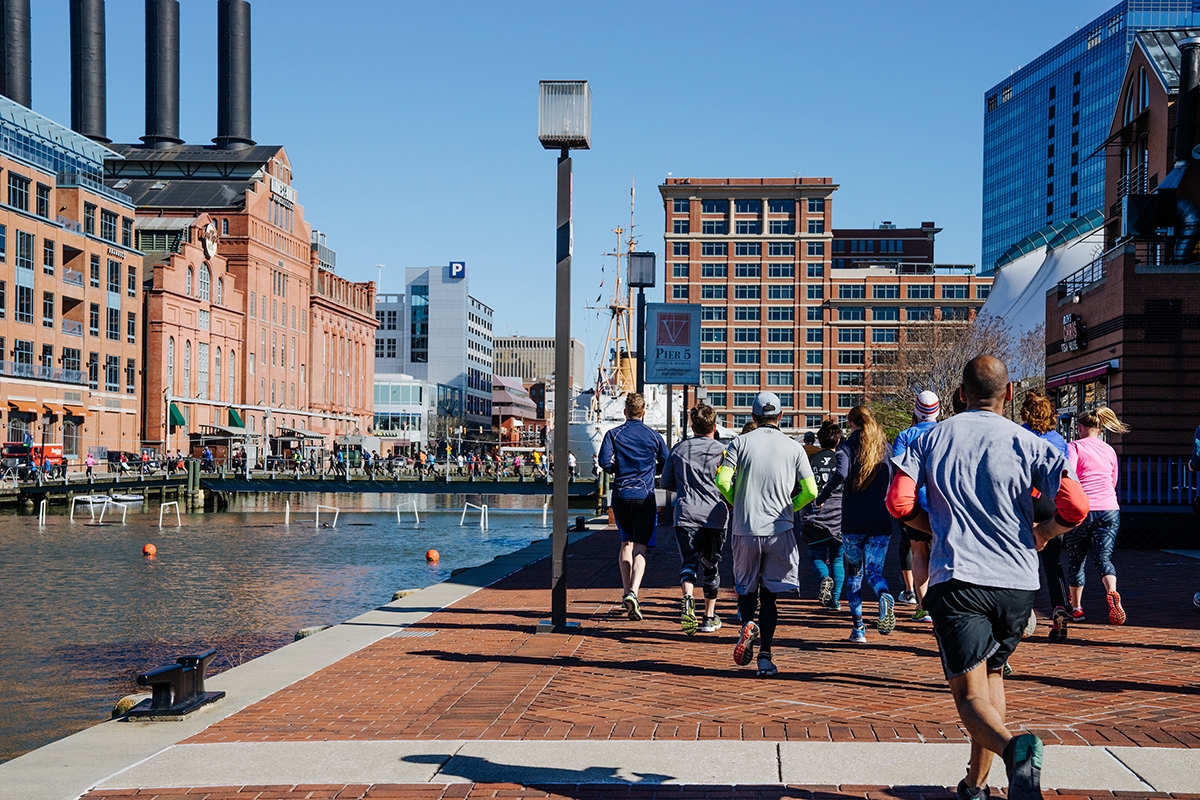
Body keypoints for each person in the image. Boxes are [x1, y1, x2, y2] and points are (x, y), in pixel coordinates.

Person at [887, 355, 1089, 800]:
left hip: (958, 579)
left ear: (960, 396)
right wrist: (1045, 531)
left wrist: (932, 524)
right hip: (1017, 581)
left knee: (969, 696)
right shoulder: (1033, 444)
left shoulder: (926, 439)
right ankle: (975, 788)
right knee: (993, 680)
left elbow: (900, 504)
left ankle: (1013, 747)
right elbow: (1076, 507)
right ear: (1009, 393)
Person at [716, 392, 817, 677]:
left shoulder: (739, 442)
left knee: (746, 589)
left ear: (754, 418)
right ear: (781, 417)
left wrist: (737, 501)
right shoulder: (794, 448)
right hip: (780, 529)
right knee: (771, 597)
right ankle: (765, 657)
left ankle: (748, 624)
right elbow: (811, 490)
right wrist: (790, 506)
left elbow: (722, 480)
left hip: (746, 528)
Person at [815, 405, 896, 642]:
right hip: (881, 520)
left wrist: (822, 497)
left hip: (854, 521)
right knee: (874, 572)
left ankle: (859, 628)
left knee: (854, 575)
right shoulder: (886, 448)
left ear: (851, 424)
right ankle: (883, 594)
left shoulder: (847, 447)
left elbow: (840, 473)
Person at [599, 392, 670, 621]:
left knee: (625, 543)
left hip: (621, 494)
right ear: (644, 412)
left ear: (625, 412)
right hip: (645, 493)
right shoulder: (653, 436)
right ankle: (634, 592)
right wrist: (653, 471)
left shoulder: (613, 434)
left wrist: (616, 471)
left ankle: (624, 590)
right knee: (641, 547)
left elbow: (603, 461)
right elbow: (667, 461)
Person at [660, 403, 728, 635]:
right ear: (715, 426)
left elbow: (665, 483)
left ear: (692, 425)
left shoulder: (678, 450)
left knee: (688, 563)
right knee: (711, 565)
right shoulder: (724, 451)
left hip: (686, 513)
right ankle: (709, 617)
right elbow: (730, 484)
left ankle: (688, 597)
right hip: (715, 515)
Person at [1065, 407, 1129, 626]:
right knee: (1103, 558)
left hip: (1082, 509)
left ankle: (1077, 609)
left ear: (1081, 428)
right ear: (1100, 428)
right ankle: (1112, 591)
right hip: (1109, 508)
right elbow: (1113, 481)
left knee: (1076, 560)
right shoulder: (1110, 450)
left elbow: (1070, 476)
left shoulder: (1074, 446)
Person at [1020, 391, 1072, 641]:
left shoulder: (1018, 435)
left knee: (1020, 558)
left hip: (1025, 500)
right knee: (1054, 563)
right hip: (1051, 502)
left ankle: (1024, 607)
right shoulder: (1059, 441)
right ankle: (1060, 606)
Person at [891, 390, 941, 621]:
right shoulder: (946, 433)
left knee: (918, 552)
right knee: (944, 552)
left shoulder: (905, 436)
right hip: (943, 502)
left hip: (915, 504)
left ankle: (924, 606)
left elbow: (899, 469)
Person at [801, 420, 845, 611]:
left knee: (816, 556)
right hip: (840, 519)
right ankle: (835, 601)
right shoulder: (844, 461)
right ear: (838, 441)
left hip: (815, 517)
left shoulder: (811, 461)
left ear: (819, 440)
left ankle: (823, 577)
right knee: (837, 559)